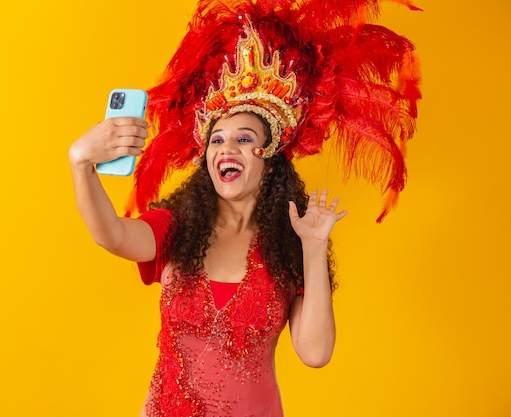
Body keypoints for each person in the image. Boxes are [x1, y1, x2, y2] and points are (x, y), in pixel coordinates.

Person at [70, 1, 421, 416]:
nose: (226, 149)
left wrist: (311, 247)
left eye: (242, 138)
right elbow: (111, 235)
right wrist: (81, 164)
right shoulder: (177, 226)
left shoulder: (288, 242)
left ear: (268, 154)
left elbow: (315, 352)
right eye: (217, 140)